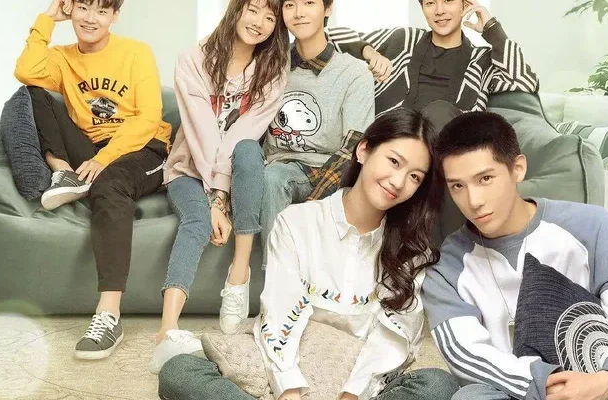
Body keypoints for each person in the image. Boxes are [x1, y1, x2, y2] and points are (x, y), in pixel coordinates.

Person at [158, 109, 459, 400]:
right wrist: (289, 389)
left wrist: (351, 395)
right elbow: (280, 313)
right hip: (288, 365)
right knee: (180, 371)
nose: (398, 181)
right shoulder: (296, 222)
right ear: (364, 150)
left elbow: (393, 340)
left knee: (437, 385)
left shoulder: (412, 252)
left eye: (414, 177)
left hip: (358, 380)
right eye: (393, 161)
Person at [422, 111, 608, 400]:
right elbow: (466, 354)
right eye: (458, 186)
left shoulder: (592, 226)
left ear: (518, 169)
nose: (474, 201)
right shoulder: (446, 267)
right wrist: (552, 386)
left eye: (485, 178)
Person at [15, 0, 171, 360]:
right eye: (83, 7)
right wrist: (48, 18)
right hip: (90, 148)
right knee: (33, 92)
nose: (90, 18)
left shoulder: (136, 52)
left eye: (101, 11)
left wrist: (103, 160)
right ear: (71, 9)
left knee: (110, 184)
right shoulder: (61, 58)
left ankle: (109, 315)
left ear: (115, 16)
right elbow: (25, 70)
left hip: (144, 148)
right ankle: (63, 171)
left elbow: (149, 117)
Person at [218, 0, 375, 334]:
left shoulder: (354, 73)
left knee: (276, 178)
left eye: (309, 3)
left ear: (328, 9)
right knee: (271, 175)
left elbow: (355, 148)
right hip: (273, 170)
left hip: (326, 173)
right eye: (290, 4)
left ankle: (287, 298)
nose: (299, 12)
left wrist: (314, 204)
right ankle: (275, 296)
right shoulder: (269, 66)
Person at [151, 0, 290, 374]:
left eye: (270, 17)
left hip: (234, 171)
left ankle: (238, 276)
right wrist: (213, 200)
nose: (259, 22)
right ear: (236, 9)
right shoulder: (193, 60)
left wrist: (221, 194)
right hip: (187, 168)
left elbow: (245, 134)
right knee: (196, 221)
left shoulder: (273, 71)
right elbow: (201, 133)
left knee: (247, 150)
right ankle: (167, 331)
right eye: (253, 10)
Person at [327, 0, 539, 117]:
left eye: (448, 1)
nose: (439, 11)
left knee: (439, 113)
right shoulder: (404, 40)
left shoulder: (481, 60)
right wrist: (369, 52)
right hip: (389, 145)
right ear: (422, 8)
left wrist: (492, 29)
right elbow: (330, 36)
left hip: (445, 152)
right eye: (430, 3)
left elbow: (525, 81)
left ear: (465, 5)